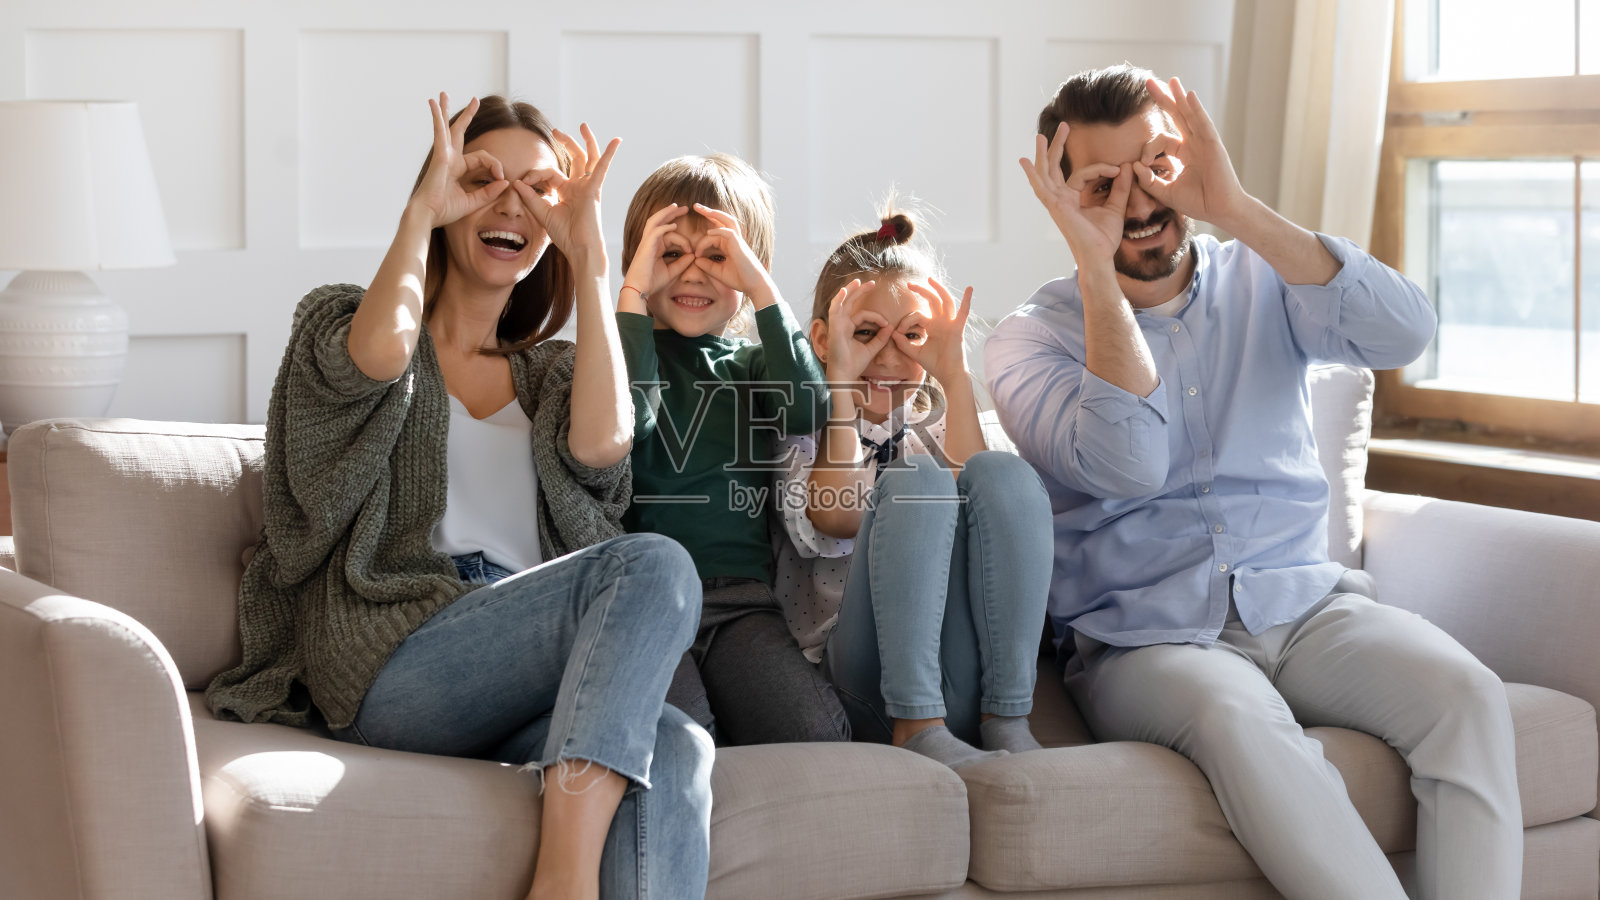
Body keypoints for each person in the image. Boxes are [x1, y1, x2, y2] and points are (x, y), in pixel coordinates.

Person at [984, 64, 1521, 899]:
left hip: (1305, 607)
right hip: (1146, 642)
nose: (1138, 199)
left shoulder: (1264, 273)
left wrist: (1234, 208)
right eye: (1102, 182)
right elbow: (1129, 465)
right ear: (1062, 195)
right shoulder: (1027, 343)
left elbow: (1406, 331)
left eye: (1155, 165)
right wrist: (1094, 263)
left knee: (1468, 696)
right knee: (1242, 720)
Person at [206, 93, 712, 900]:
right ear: (445, 192)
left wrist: (591, 260)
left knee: (677, 744)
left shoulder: (549, 376)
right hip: (399, 658)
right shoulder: (348, 325)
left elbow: (605, 447)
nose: (510, 202)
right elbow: (373, 357)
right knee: (654, 565)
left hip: (523, 662)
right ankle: (563, 883)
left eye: (537, 191)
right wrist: (420, 211)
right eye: (483, 178)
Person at [771, 209, 1053, 770]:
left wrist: (953, 375)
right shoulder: (799, 436)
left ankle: (1008, 718)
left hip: (964, 671)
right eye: (866, 333)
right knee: (915, 481)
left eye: (914, 337)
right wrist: (843, 388)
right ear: (824, 340)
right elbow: (838, 515)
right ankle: (915, 724)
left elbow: (987, 518)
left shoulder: (942, 425)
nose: (892, 358)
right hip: (865, 679)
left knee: (1004, 474)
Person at [614, 154, 845, 746]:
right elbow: (630, 421)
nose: (693, 275)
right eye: (670, 255)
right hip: (646, 602)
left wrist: (762, 289)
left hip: (741, 601)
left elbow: (808, 407)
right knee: (680, 740)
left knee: (814, 733)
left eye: (717, 257)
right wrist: (632, 296)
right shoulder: (617, 356)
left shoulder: (751, 365)